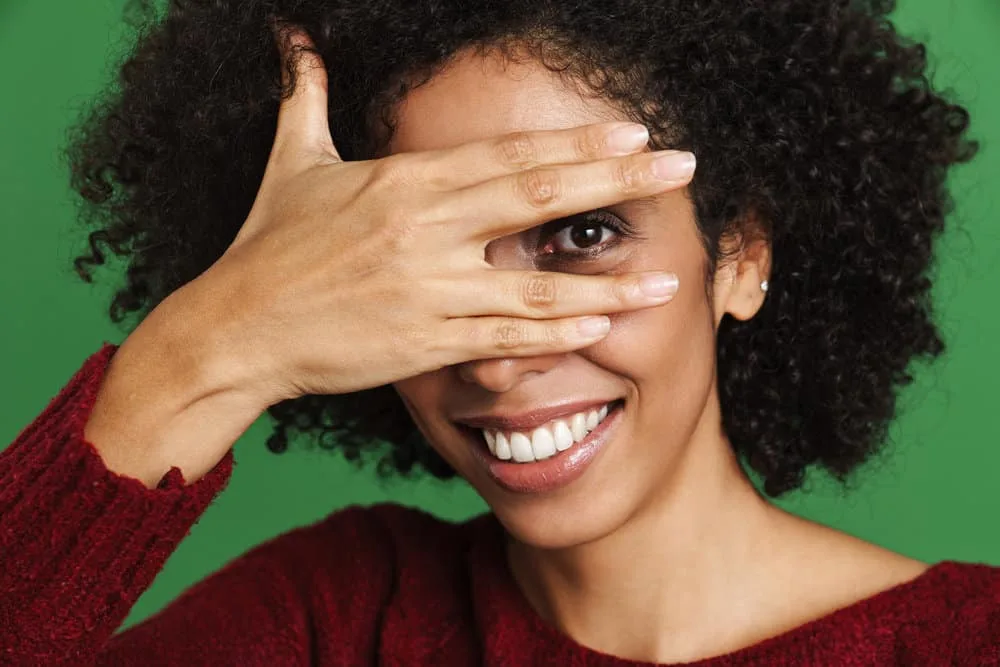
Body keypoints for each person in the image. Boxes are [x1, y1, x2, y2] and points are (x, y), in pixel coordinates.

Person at [2, 0, 997, 664]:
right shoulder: (340, 619)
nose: (495, 354)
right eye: (421, 260)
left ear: (737, 254)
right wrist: (209, 349)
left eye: (582, 235)